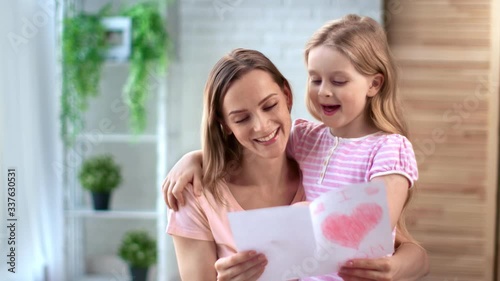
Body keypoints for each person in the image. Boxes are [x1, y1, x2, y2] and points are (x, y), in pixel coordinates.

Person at [165, 22, 428, 280]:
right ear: (224, 124)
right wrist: (195, 157)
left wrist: (400, 266)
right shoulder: (308, 140)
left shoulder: (312, 146)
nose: (262, 126)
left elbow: (394, 239)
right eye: (315, 79)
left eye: (269, 106)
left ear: (286, 97)